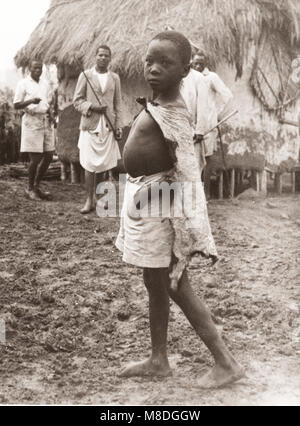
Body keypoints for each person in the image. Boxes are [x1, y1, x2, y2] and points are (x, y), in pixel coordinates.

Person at [116, 31, 244, 388]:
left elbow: (187, 173)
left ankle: (226, 362)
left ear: (185, 70)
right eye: (149, 61)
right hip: (145, 199)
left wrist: (189, 234)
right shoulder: (159, 105)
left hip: (164, 204)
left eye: (165, 63)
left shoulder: (175, 114)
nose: (154, 69)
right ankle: (159, 359)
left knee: (176, 283)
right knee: (153, 279)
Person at [73, 45, 123, 214]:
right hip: (90, 125)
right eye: (100, 55)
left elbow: (118, 104)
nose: (103, 58)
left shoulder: (114, 78)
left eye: (106, 55)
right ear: (95, 56)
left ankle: (100, 199)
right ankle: (89, 200)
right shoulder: (86, 76)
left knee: (102, 164)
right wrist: (93, 107)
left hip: (107, 126)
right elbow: (77, 101)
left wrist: (118, 126)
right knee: (89, 164)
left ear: (110, 58)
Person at [192, 52, 233, 198]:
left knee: (207, 159)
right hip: (194, 126)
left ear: (205, 63)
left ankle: (206, 193)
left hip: (208, 126)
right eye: (195, 63)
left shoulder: (211, 78)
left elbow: (227, 95)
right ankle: (194, 194)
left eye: (200, 63)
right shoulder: (190, 78)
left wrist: (217, 112)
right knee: (194, 159)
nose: (197, 66)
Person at [14, 59, 55, 200]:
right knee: (36, 158)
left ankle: (37, 186)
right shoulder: (23, 84)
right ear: (29, 69)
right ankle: (30, 188)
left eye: (40, 68)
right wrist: (31, 101)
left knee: (49, 155)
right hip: (31, 121)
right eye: (35, 68)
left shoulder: (44, 84)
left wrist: (51, 115)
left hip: (45, 120)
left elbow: (47, 103)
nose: (38, 70)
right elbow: (16, 105)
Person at [180, 63, 210, 172]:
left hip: (192, 131)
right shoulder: (172, 75)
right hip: (175, 130)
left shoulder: (198, 78)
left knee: (193, 169)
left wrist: (200, 131)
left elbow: (202, 105)